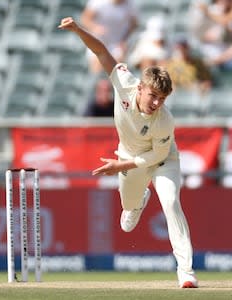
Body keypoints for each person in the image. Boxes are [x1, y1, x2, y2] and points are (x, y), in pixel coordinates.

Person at [59, 17, 198, 288]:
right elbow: (101, 51)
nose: (157, 103)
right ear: (141, 88)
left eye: (162, 99)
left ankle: (186, 271)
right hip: (128, 157)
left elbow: (156, 157)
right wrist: (77, 30)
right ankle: (138, 200)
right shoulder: (124, 82)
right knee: (126, 223)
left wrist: (120, 166)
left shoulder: (164, 119)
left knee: (170, 203)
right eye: (153, 96)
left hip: (161, 160)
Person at [81, 0, 138, 74]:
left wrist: (125, 40)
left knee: (118, 71)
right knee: (97, 66)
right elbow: (85, 19)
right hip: (98, 41)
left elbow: (134, 24)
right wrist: (95, 28)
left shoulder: (130, 4)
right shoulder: (97, 2)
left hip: (117, 43)